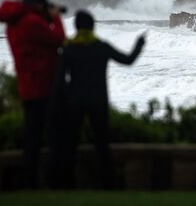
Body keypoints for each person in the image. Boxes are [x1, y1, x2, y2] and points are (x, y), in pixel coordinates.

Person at [52, 10, 145, 189]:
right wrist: (139, 44)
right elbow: (128, 60)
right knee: (102, 144)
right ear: (93, 26)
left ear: (76, 26)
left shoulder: (69, 49)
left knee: (71, 144)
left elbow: (58, 82)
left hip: (75, 102)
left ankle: (67, 185)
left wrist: (56, 105)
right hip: (98, 101)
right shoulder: (101, 47)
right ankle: (107, 184)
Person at [0, 0, 66, 188]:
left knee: (32, 135)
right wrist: (56, 18)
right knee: (51, 135)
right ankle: (48, 181)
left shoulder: (14, 23)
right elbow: (58, 39)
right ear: (37, 4)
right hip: (43, 85)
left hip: (27, 85)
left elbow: (37, 44)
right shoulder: (32, 22)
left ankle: (30, 180)